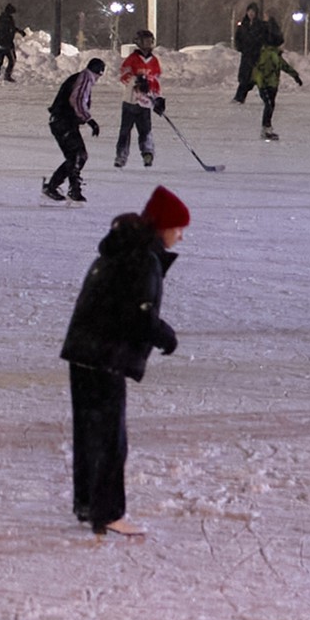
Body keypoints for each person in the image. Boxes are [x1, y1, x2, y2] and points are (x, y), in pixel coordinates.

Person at [60, 185, 188, 536]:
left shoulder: (120, 247)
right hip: (105, 354)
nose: (181, 235)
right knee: (109, 439)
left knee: (89, 433)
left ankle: (87, 504)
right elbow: (139, 316)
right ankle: (108, 512)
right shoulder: (144, 259)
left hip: (83, 350)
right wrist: (166, 337)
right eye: (178, 227)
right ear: (162, 226)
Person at [43, 58, 104, 204]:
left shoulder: (81, 77)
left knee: (74, 157)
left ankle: (68, 189)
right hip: (63, 121)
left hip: (62, 121)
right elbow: (77, 100)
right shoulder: (85, 78)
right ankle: (61, 188)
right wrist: (89, 120)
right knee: (79, 155)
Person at [115, 29, 162, 168]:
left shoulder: (154, 61)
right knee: (125, 131)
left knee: (145, 130)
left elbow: (155, 80)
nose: (148, 44)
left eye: (150, 41)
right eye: (145, 41)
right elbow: (124, 76)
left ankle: (147, 153)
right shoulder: (132, 59)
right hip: (130, 101)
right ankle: (121, 155)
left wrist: (158, 98)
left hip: (145, 103)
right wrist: (137, 81)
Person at [251, 24, 303, 140]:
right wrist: (260, 83)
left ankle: (267, 128)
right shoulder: (267, 54)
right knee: (269, 105)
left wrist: (295, 76)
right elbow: (259, 69)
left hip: (273, 85)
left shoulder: (275, 54)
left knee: (271, 106)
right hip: (266, 84)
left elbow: (284, 66)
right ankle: (266, 129)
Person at [231, 3, 267, 104]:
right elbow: (238, 38)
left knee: (259, 78)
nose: (251, 14)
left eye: (253, 12)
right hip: (246, 55)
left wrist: (259, 47)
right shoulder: (243, 25)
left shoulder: (260, 25)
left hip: (256, 55)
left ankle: (267, 97)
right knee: (245, 78)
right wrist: (240, 47)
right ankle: (239, 97)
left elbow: (264, 38)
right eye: (249, 11)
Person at [0, 3, 26, 83]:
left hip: (0, 42)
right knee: (12, 59)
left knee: (0, 60)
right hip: (7, 43)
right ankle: (7, 75)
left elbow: (8, 29)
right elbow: (11, 28)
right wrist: (20, 32)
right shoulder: (8, 19)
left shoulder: (2, 19)